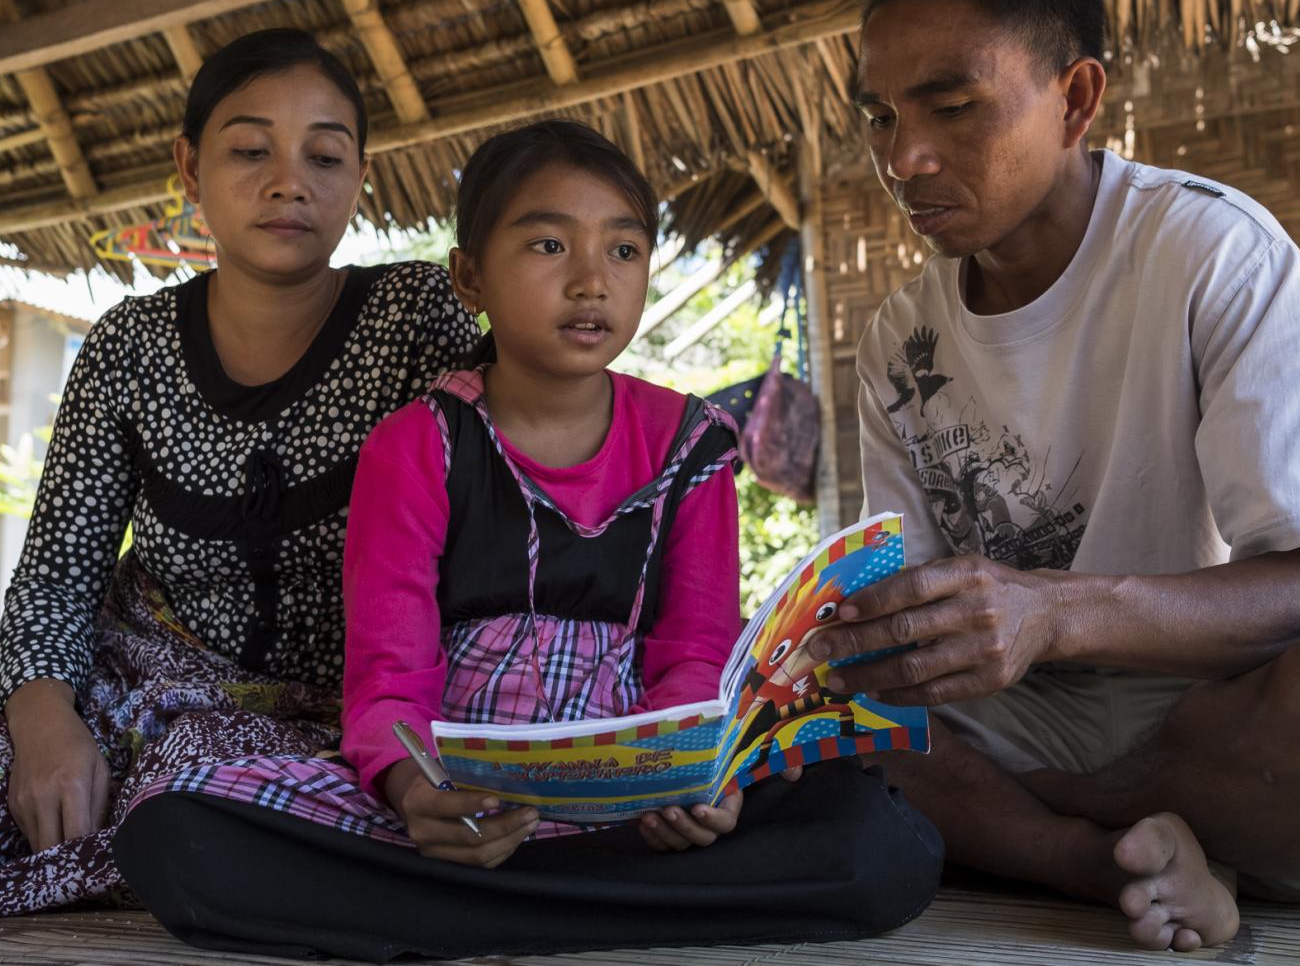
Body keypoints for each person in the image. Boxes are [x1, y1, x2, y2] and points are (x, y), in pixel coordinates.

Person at [112, 121, 945, 962]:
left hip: (639, 803)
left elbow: (695, 647)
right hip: (457, 804)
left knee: (880, 838)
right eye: (550, 243)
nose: (592, 281)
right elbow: (388, 672)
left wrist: (688, 779)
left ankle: (465, 913)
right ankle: (604, 906)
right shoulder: (417, 444)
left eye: (624, 251)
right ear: (469, 276)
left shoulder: (691, 441)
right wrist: (415, 792)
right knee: (173, 831)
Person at [806, 0, 1300, 952]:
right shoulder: (897, 340)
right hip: (1021, 724)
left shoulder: (1211, 253)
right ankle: (1105, 862)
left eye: (951, 105)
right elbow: (905, 632)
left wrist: (1056, 611)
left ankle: (1069, 822)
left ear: (1077, 98)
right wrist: (859, 639)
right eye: (879, 113)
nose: (902, 155)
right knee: (818, 713)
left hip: (1218, 720)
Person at [0, 28, 480, 915]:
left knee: (202, 815)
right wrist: (44, 726)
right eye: (250, 149)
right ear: (189, 167)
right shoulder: (130, 346)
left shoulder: (415, 317)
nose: (288, 181)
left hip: (345, 722)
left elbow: (514, 498)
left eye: (325, 155)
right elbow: (56, 574)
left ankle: (116, 875)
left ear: (360, 174)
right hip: (130, 688)